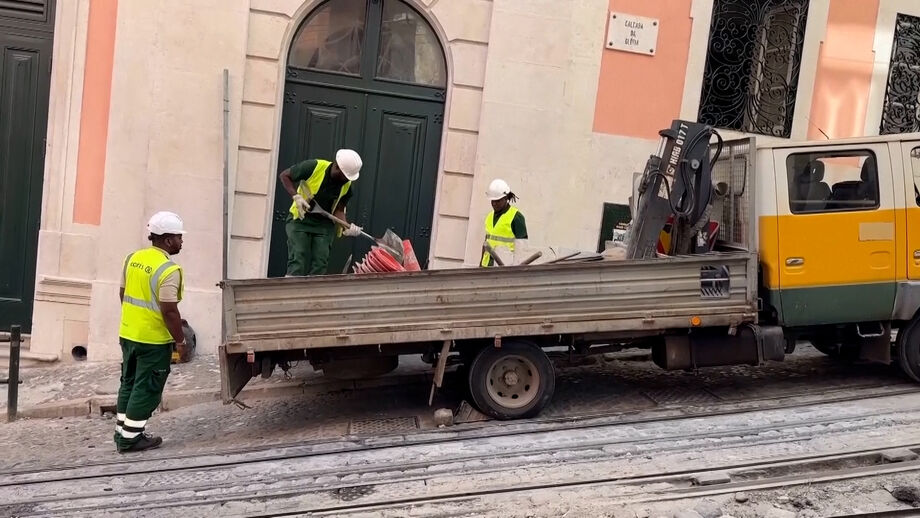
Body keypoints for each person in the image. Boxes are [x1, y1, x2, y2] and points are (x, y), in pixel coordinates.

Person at [115, 211, 189, 453]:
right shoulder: (169, 270)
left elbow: (122, 294)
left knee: (128, 383)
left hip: (128, 334)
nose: (181, 241)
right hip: (153, 341)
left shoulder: (132, 258)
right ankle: (131, 439)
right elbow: (169, 311)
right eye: (179, 237)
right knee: (146, 389)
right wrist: (180, 340)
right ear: (167, 240)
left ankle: (122, 432)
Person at [280, 149, 363, 276]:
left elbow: (339, 210)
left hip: (324, 226)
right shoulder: (314, 167)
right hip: (301, 220)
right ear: (337, 167)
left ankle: (314, 294)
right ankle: (291, 293)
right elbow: (285, 175)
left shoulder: (347, 186)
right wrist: (296, 197)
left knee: (320, 264)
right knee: (298, 259)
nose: (347, 180)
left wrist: (346, 226)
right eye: (345, 176)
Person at [481, 179, 528, 267]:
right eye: (492, 201)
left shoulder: (516, 217)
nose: (494, 204)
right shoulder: (489, 217)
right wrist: (480, 265)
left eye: (497, 201)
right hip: (487, 266)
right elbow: (486, 243)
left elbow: (522, 249)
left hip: (504, 267)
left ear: (506, 198)